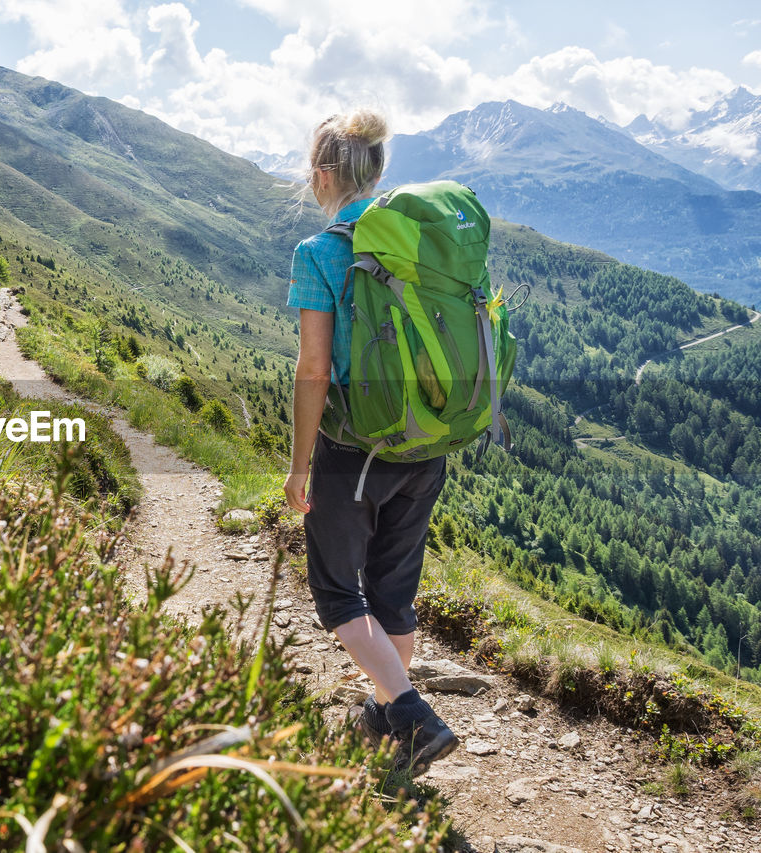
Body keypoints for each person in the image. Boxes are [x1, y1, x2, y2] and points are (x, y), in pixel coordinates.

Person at [282, 110, 457, 776]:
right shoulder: (421, 239)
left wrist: (301, 464)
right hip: (428, 442)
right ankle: (386, 716)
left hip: (357, 448)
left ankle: (414, 714)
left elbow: (314, 370)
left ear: (322, 174)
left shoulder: (320, 252)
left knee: (337, 592)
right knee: (392, 592)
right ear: (379, 171)